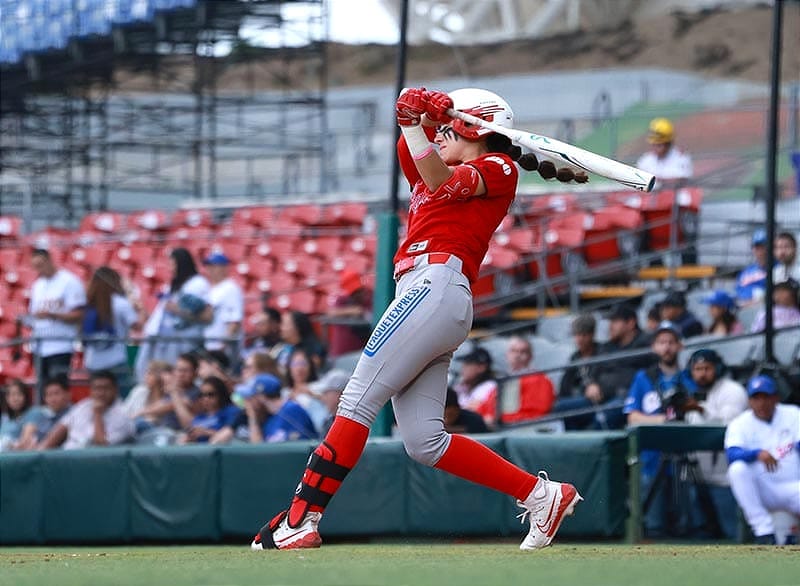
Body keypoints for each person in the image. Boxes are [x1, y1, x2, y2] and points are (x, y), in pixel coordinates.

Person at [250, 87, 583, 552]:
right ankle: (541, 496)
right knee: (425, 442)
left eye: (448, 129)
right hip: (426, 293)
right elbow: (414, 152)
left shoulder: (498, 166)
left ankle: (302, 516)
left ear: (472, 127)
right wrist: (418, 115)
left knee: (357, 400)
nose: (438, 135)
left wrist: (416, 121)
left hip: (436, 284)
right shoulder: (434, 167)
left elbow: (443, 180)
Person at [624, 321, 697, 537]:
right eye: (662, 342)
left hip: (684, 456)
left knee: (687, 525)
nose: (667, 347)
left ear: (680, 345)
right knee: (653, 526)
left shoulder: (689, 377)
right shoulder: (643, 377)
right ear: (654, 346)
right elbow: (632, 417)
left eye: (671, 342)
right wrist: (663, 420)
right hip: (651, 457)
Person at [725, 375, 800, 545]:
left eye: (766, 397)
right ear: (749, 401)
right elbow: (731, 454)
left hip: (793, 486)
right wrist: (756, 453)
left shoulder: (793, 414)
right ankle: (763, 531)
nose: (762, 403)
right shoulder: (740, 423)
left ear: (776, 398)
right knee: (737, 469)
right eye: (756, 398)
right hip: (762, 490)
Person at [683, 349, 749, 539]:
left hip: (724, 477)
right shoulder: (689, 393)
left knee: (732, 533)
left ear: (718, 368)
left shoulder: (733, 391)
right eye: (697, 369)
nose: (702, 374)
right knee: (700, 536)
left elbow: (728, 427)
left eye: (707, 368)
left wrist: (700, 409)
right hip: (696, 475)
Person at [135, 247, 211, 381]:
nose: (170, 268)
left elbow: (205, 315)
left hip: (183, 339)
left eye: (173, 264)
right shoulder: (173, 285)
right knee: (155, 374)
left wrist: (175, 309)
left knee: (175, 375)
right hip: (163, 337)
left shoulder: (197, 283)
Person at [28, 248, 86, 398]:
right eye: (36, 266)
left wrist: (53, 315)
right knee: (42, 391)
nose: (39, 269)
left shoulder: (69, 281)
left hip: (61, 345)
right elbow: (34, 313)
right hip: (40, 346)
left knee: (58, 388)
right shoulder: (38, 285)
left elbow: (79, 314)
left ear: (49, 260)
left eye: (41, 265)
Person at [82, 266, 142, 396]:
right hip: (116, 360)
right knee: (126, 399)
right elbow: (137, 326)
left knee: (100, 399)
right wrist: (140, 309)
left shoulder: (88, 304)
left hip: (93, 362)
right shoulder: (120, 303)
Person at [38, 370, 134, 450]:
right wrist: (40, 451)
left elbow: (102, 447)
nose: (100, 393)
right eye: (96, 388)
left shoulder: (123, 415)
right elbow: (62, 428)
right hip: (68, 455)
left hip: (95, 461)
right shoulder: (84, 405)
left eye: (105, 388)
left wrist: (97, 414)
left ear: (115, 389)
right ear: (91, 390)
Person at [556, 314, 604, 429]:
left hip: (596, 400)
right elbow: (565, 385)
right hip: (577, 400)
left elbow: (604, 379)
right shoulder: (575, 357)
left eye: (584, 335)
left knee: (561, 407)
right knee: (566, 412)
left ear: (592, 334)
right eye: (576, 335)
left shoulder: (602, 352)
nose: (579, 339)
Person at [241, 373, 317, 443]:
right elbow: (257, 450)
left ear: (261, 398)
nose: (248, 404)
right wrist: (253, 417)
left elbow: (300, 447)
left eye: (250, 398)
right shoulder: (267, 421)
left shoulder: (292, 410)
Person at [500, 335, 556, 423]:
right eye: (513, 351)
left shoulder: (539, 379)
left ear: (530, 356)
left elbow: (537, 413)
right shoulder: (500, 380)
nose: (517, 355)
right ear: (507, 355)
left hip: (522, 426)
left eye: (523, 352)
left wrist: (500, 419)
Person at [202, 252, 244, 364]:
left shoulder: (230, 288)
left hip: (223, 349)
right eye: (208, 266)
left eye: (214, 266)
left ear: (224, 268)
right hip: (209, 346)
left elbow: (234, 321)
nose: (210, 269)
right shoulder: (210, 289)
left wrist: (223, 346)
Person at [175, 376, 241, 445]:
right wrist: (189, 439)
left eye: (211, 394)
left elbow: (235, 437)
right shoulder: (199, 418)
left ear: (221, 394)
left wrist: (206, 432)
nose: (206, 399)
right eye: (202, 395)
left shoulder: (232, 411)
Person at [324, 269, 373, 358]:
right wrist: (351, 311)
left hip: (362, 350)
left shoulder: (368, 295)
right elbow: (331, 312)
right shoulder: (342, 299)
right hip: (341, 352)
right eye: (353, 292)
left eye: (358, 290)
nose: (357, 294)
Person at [123, 360, 177, 439]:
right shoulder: (139, 391)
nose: (146, 376)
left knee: (141, 423)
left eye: (150, 373)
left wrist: (139, 414)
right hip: (133, 432)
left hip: (160, 435)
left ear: (160, 376)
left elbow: (166, 406)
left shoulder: (170, 394)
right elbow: (125, 413)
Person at [16, 376, 72, 450]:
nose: (53, 399)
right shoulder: (38, 413)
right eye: (49, 395)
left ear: (68, 394)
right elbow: (26, 440)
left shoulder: (75, 414)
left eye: (56, 393)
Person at [635, 117, 693, 190]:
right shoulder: (645, 160)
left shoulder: (681, 158)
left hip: (674, 195)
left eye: (659, 145)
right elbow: (637, 183)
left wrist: (654, 181)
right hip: (650, 196)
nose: (655, 147)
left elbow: (681, 181)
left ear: (668, 143)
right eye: (654, 144)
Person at [452, 346, 500, 425]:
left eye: (468, 363)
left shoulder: (490, 386)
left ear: (481, 367)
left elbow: (473, 409)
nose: (463, 367)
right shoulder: (461, 387)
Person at [274, 310, 327, 375]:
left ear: (297, 327)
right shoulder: (279, 348)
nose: (280, 327)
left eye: (284, 324)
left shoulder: (313, 351)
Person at [308, 369, 350, 436]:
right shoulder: (328, 422)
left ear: (341, 394)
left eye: (326, 392)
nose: (323, 397)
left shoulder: (350, 423)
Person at [735, 229, 768, 306]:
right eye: (756, 246)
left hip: (763, 308)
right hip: (744, 307)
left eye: (762, 246)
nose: (759, 250)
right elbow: (737, 291)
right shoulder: (746, 271)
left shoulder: (778, 268)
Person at [0, 379, 32, 451]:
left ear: (26, 396)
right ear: (7, 398)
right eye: (12, 395)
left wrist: (9, 444)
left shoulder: (32, 413)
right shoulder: (4, 418)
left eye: (19, 394)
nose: (15, 399)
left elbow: (25, 443)